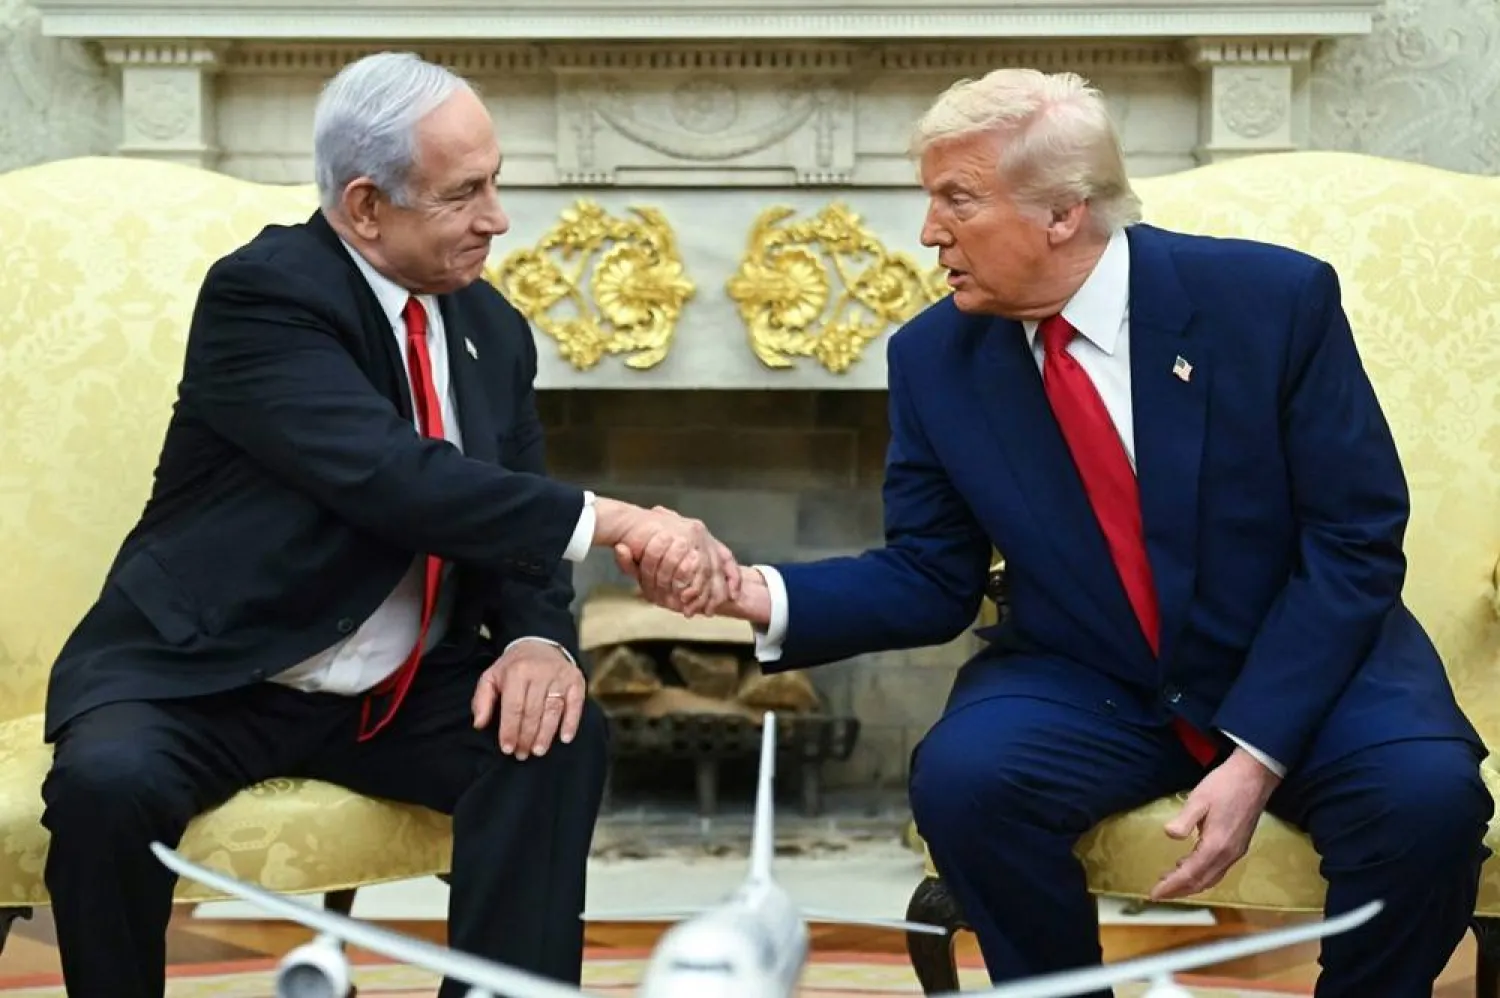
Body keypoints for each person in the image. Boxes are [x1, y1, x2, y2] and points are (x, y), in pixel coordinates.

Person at [629, 68, 1492, 996]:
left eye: (957, 200)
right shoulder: (935, 358)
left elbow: (1354, 537)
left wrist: (1257, 754)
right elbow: (931, 574)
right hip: (1091, 672)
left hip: (1303, 655)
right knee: (967, 781)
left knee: (1428, 805)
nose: (928, 234)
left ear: (1063, 213)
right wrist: (753, 592)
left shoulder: (1270, 304)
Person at [39, 51, 738, 998]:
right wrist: (617, 520)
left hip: (398, 690)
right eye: (465, 194)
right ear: (366, 207)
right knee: (106, 789)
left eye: (495, 183)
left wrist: (538, 639)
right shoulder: (265, 295)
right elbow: (393, 478)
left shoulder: (492, 327)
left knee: (555, 738)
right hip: (211, 673)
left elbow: (511, 512)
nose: (496, 217)